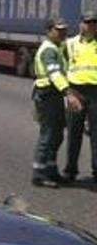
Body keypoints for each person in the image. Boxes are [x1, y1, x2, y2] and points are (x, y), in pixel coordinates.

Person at [32, 19, 79, 187]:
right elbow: (54, 74)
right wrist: (68, 93)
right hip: (47, 96)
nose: (62, 33)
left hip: (54, 95)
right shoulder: (49, 50)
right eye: (58, 30)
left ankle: (51, 170)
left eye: (64, 30)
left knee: (57, 134)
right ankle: (38, 173)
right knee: (48, 134)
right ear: (48, 31)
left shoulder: (58, 48)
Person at [63, 12, 97, 183]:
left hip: (96, 93)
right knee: (74, 133)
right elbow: (61, 69)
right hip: (76, 92)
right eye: (87, 22)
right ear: (80, 24)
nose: (90, 26)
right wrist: (67, 92)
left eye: (93, 23)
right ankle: (70, 170)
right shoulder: (69, 44)